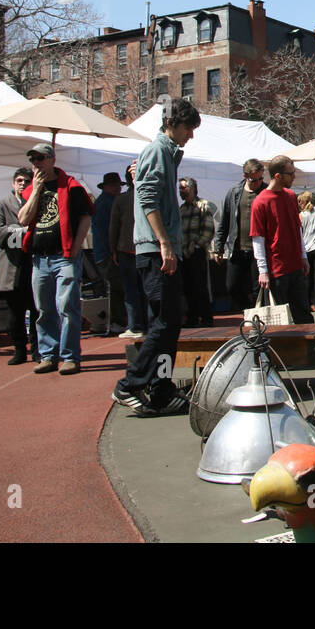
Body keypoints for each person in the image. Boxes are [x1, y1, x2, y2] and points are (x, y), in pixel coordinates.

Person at [112, 98, 201, 416]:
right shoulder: (157, 151)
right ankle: (130, 385)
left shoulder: (167, 154)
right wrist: (164, 243)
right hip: (155, 250)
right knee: (164, 322)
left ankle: (162, 390)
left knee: (169, 323)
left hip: (163, 248)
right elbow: (147, 198)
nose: (191, 135)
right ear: (175, 124)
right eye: (189, 128)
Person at [17, 143, 93, 375]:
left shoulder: (71, 187)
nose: (36, 163)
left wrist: (76, 246)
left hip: (65, 256)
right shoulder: (30, 190)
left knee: (67, 306)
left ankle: (70, 356)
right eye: (33, 160)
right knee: (43, 309)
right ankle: (48, 355)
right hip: (40, 258)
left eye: (40, 158)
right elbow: (23, 219)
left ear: (52, 160)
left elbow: (86, 217)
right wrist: (37, 189)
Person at [249, 156, 312, 324]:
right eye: (290, 173)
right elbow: (258, 238)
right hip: (276, 269)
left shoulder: (291, 196)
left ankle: (309, 349)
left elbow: (297, 229)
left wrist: (303, 256)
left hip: (295, 265)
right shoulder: (260, 202)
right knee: (282, 319)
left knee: (303, 314)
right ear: (278, 176)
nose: (294, 177)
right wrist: (262, 270)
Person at [0, 168, 37, 365]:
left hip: (34, 265)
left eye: (27, 181)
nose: (22, 184)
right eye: (19, 180)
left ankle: (38, 349)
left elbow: (42, 233)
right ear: (13, 183)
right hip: (11, 266)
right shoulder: (3, 204)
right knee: (15, 312)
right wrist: (25, 232)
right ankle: (19, 349)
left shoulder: (36, 203)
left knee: (37, 311)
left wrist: (17, 233)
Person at [211, 158, 266, 310]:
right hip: (237, 247)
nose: (258, 182)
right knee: (231, 286)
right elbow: (225, 222)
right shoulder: (234, 192)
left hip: (259, 250)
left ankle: (257, 321)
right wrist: (218, 247)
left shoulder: (265, 191)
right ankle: (248, 310)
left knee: (259, 289)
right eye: (254, 179)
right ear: (245, 176)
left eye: (261, 178)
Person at [109, 161, 147, 339]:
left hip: (126, 250)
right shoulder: (148, 195)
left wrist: (113, 250)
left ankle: (135, 325)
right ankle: (147, 324)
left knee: (131, 291)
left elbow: (113, 227)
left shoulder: (121, 199)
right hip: (143, 249)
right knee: (145, 289)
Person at [178, 176, 217, 327]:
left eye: (184, 188)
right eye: (180, 188)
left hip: (197, 252)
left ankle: (207, 317)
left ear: (192, 188)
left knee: (200, 286)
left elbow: (209, 230)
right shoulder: (181, 209)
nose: (181, 191)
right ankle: (192, 317)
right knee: (188, 287)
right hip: (184, 253)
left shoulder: (203, 205)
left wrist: (197, 246)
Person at [91, 172, 125, 332]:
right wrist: (113, 252)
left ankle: (117, 321)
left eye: (118, 185)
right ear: (106, 187)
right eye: (114, 185)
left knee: (115, 288)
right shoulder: (107, 203)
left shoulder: (103, 202)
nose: (118, 188)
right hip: (109, 254)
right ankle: (117, 322)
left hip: (105, 253)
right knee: (117, 288)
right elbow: (107, 231)